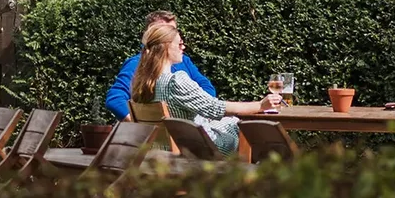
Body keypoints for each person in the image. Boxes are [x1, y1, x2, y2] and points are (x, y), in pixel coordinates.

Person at [128, 21, 282, 157]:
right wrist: (261, 105)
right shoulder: (175, 80)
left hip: (164, 152)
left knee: (230, 122)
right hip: (197, 150)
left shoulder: (143, 83)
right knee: (239, 126)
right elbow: (215, 108)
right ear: (167, 47)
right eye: (180, 43)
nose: (184, 47)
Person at [104, 9, 216, 120]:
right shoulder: (137, 63)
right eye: (163, 31)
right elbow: (115, 98)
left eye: (172, 31)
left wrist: (197, 106)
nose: (169, 35)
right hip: (164, 132)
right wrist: (139, 124)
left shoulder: (184, 61)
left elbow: (206, 86)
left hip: (190, 123)